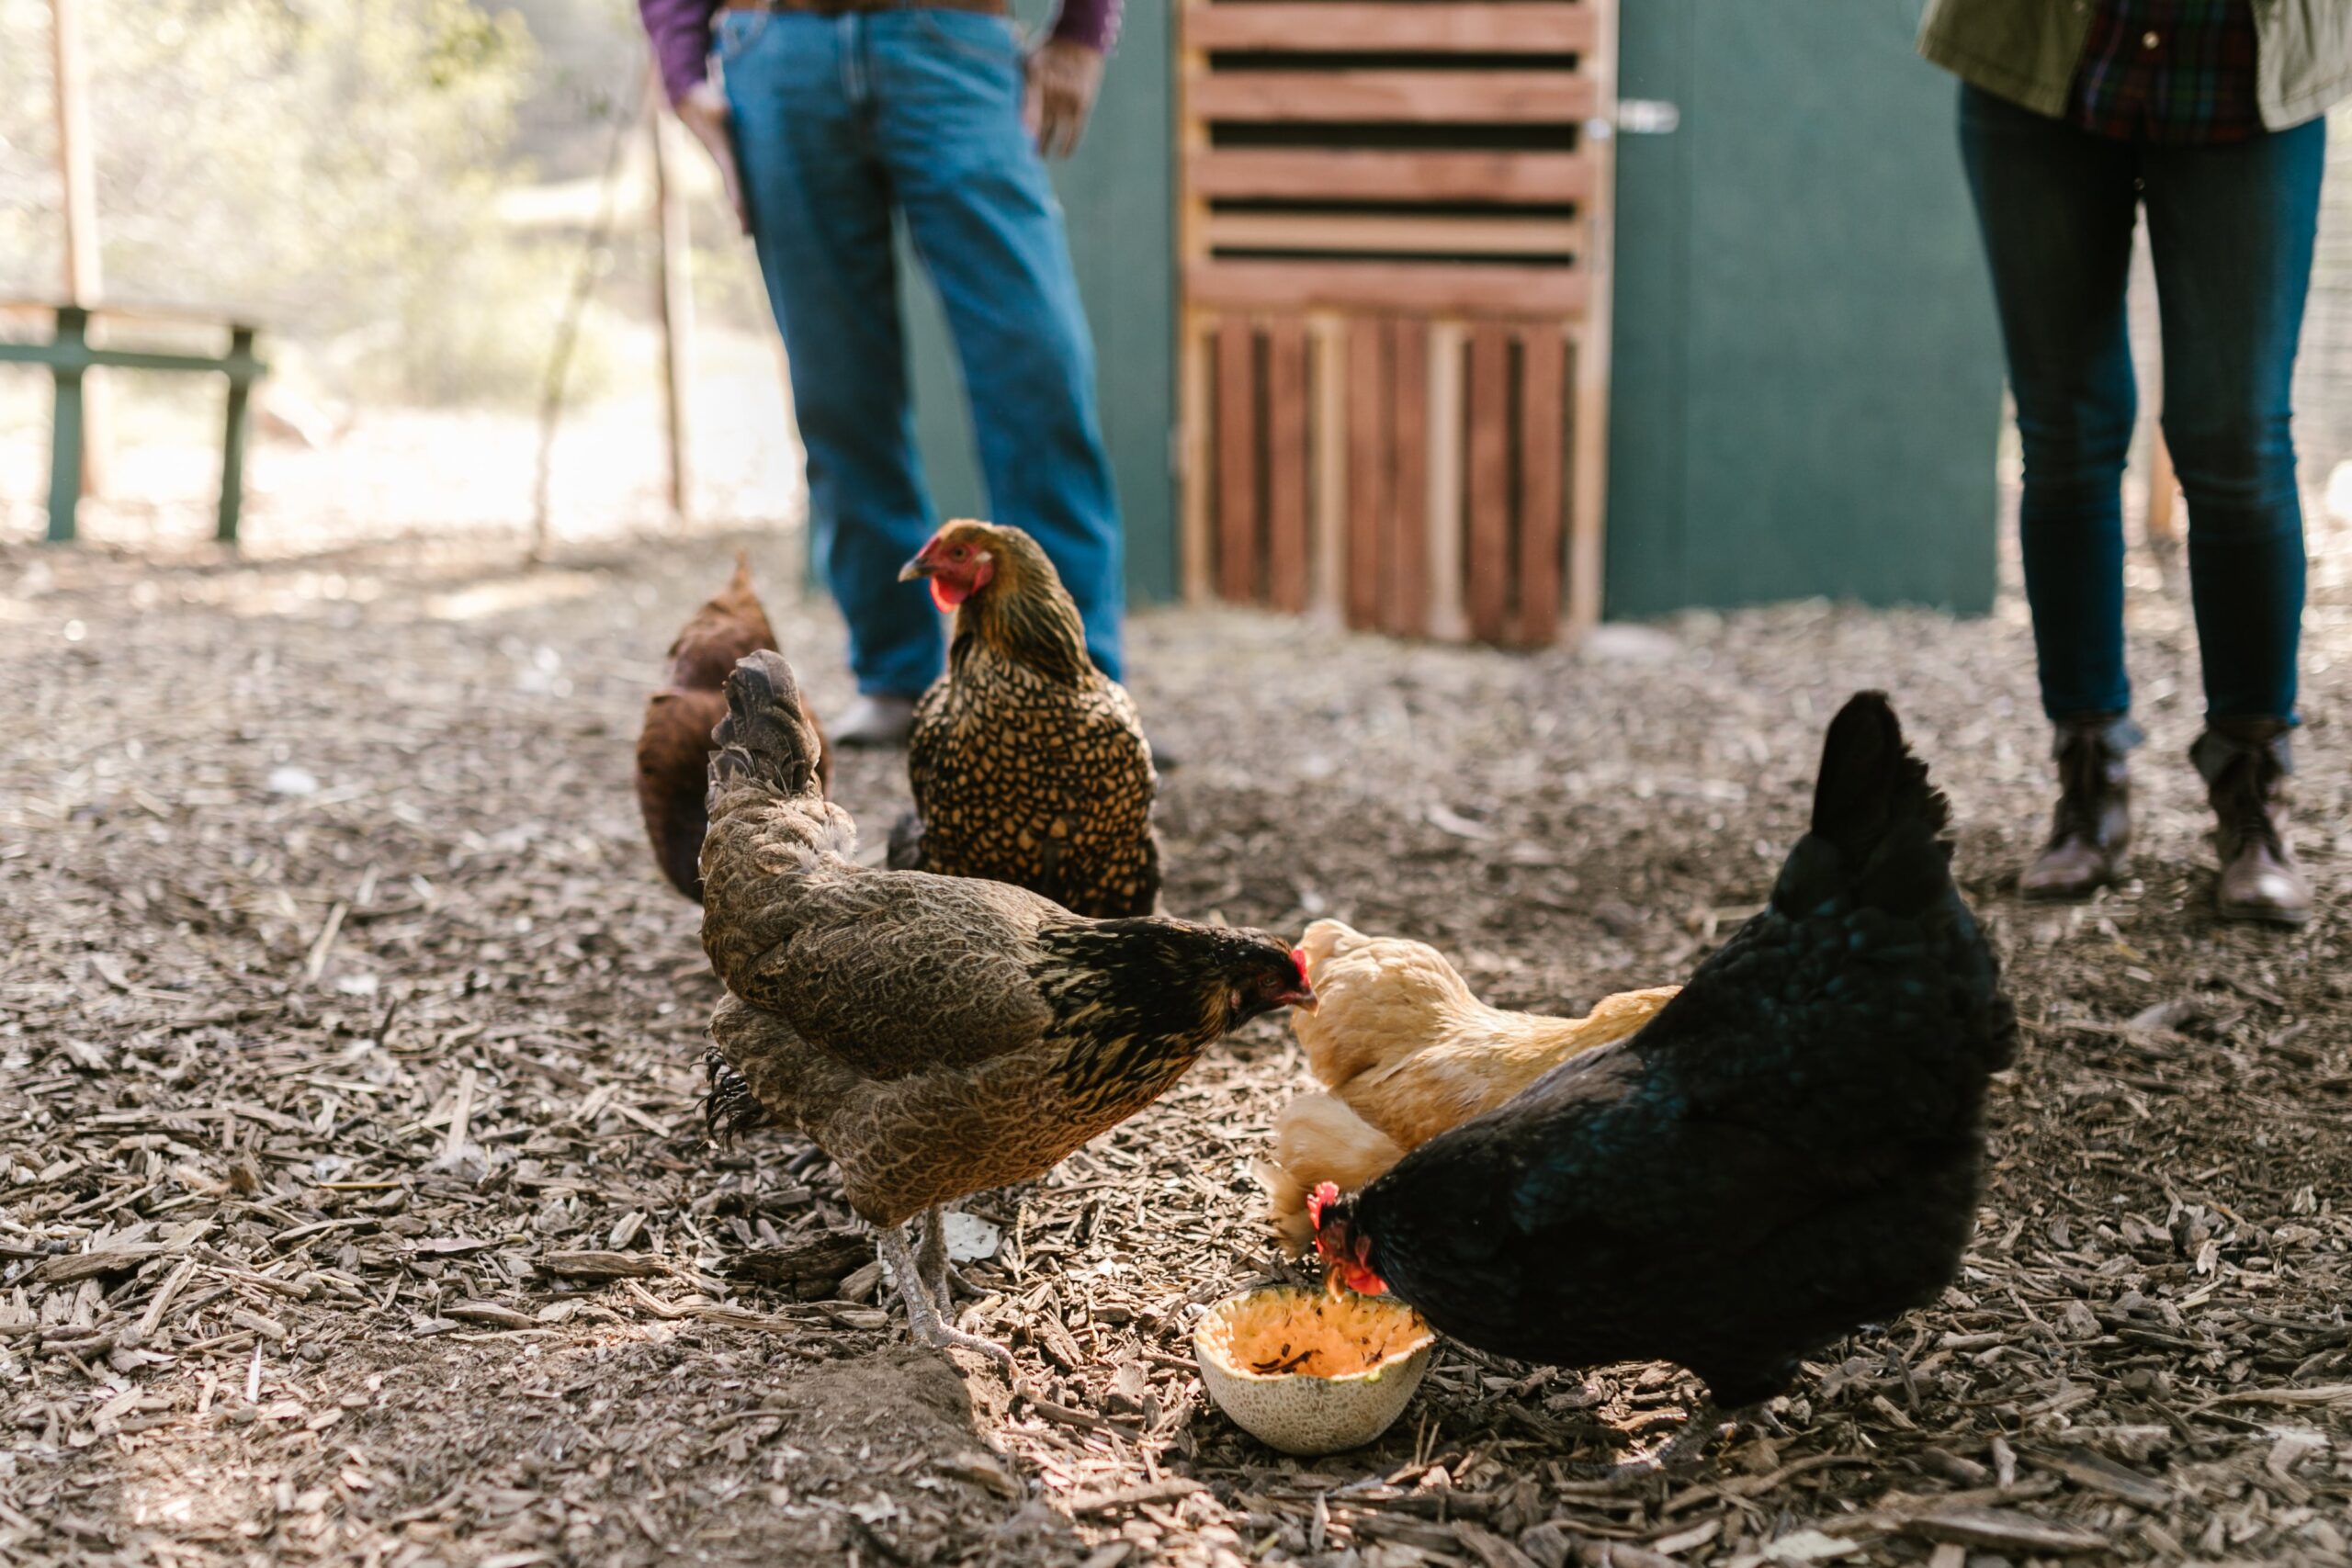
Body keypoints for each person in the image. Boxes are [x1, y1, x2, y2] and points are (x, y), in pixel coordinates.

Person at [1919, 0, 2349, 925]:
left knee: (2235, 436)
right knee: (2066, 430)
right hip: (2035, 56)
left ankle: (2251, 804)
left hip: (2247, 64)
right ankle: (2087, 786)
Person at [639, 0, 1127, 746]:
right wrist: (679, 60)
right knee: (838, 392)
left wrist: (1085, 29)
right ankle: (896, 676)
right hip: (774, 47)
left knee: (1036, 367)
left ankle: (1069, 685)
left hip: (954, 39)